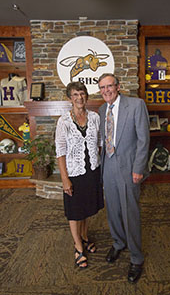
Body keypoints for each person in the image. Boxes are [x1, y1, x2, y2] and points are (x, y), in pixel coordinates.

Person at [98, 73, 150, 283]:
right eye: (102, 88)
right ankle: (118, 243)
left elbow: (143, 140)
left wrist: (138, 168)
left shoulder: (136, 105)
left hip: (129, 168)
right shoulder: (102, 110)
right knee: (113, 210)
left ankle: (136, 258)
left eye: (109, 86)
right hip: (108, 165)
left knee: (130, 212)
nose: (106, 91)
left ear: (118, 87)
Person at [55, 81, 104, 269]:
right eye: (75, 94)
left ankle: (84, 237)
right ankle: (78, 247)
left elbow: (99, 141)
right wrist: (65, 179)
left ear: (87, 96)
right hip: (74, 173)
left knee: (87, 208)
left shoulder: (94, 117)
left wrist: (95, 160)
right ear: (70, 98)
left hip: (91, 170)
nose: (79, 97)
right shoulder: (64, 121)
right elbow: (60, 151)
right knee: (75, 211)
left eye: (82, 93)